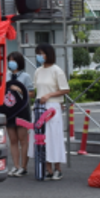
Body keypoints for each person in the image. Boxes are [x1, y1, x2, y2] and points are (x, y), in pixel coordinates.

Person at [30, 43, 69, 180]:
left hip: (52, 107)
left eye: (41, 53)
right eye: (38, 54)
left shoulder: (57, 70)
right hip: (40, 106)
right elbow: (35, 89)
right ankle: (48, 169)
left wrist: (49, 95)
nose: (39, 56)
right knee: (42, 137)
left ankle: (58, 168)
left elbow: (65, 89)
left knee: (54, 137)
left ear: (48, 54)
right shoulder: (38, 71)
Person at [0, 52, 32, 177]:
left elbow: (31, 93)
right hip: (9, 111)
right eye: (9, 60)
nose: (11, 63)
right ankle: (16, 166)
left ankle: (24, 167)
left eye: (13, 60)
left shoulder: (25, 76)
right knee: (13, 140)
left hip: (22, 111)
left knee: (23, 139)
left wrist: (19, 90)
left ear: (19, 62)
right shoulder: (6, 76)